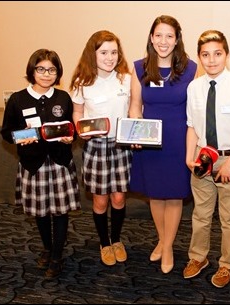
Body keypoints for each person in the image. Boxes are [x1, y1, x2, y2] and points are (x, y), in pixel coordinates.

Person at [184, 30, 230, 288]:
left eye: (217, 54)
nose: (211, 60)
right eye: (205, 55)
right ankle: (198, 257)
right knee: (201, 215)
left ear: (227, 54)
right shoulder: (194, 87)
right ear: (199, 57)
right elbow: (192, 126)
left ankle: (227, 264)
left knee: (229, 218)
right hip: (201, 158)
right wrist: (188, 156)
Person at [0, 49, 81, 278]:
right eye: (41, 69)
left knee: (61, 212)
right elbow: (6, 133)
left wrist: (70, 137)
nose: (46, 74)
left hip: (59, 162)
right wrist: (20, 136)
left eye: (52, 69)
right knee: (41, 212)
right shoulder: (18, 99)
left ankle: (56, 256)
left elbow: (71, 130)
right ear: (32, 70)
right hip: (33, 164)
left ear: (58, 73)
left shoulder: (63, 98)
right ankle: (47, 247)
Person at [128, 15, 197, 274]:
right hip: (150, 140)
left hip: (179, 139)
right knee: (155, 194)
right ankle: (163, 239)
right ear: (151, 38)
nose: (163, 41)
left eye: (169, 36)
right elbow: (136, 105)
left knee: (175, 194)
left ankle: (167, 247)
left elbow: (196, 108)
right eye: (158, 35)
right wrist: (136, 132)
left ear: (177, 39)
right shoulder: (139, 68)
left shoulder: (191, 68)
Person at [69, 30, 132, 266]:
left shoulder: (126, 78)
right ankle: (104, 242)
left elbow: (135, 109)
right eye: (103, 52)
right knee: (100, 201)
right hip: (95, 147)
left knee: (118, 198)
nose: (109, 57)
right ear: (92, 54)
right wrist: (80, 129)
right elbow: (77, 112)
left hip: (121, 146)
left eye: (114, 52)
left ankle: (116, 239)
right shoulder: (81, 82)